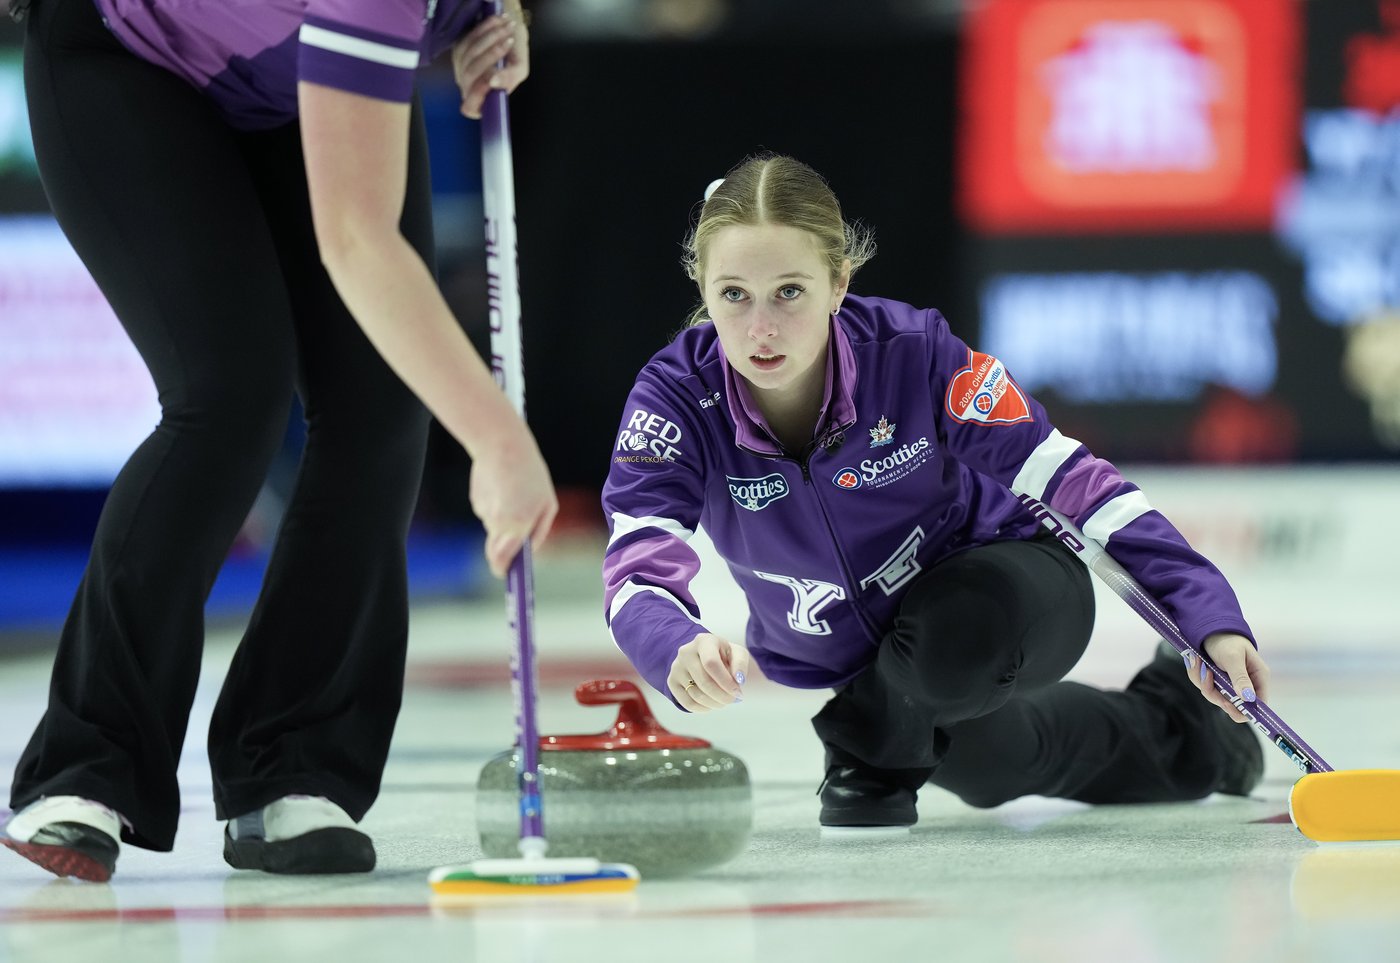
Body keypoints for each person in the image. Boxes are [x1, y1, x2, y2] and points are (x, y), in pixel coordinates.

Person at [2, 0, 555, 882]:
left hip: (296, 72)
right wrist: (498, 438)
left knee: (380, 407)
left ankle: (294, 759)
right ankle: (85, 761)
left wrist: (488, 20)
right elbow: (356, 240)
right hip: (126, 59)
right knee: (227, 396)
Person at [601, 153, 1267, 830]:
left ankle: (867, 741)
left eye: (790, 292)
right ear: (703, 287)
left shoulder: (913, 351)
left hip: (1009, 582)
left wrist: (1204, 613)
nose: (760, 328)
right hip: (868, 658)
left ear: (839, 282)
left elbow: (1073, 480)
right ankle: (1189, 732)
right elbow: (636, 568)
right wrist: (673, 646)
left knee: (953, 645)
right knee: (990, 764)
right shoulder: (676, 401)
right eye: (734, 295)